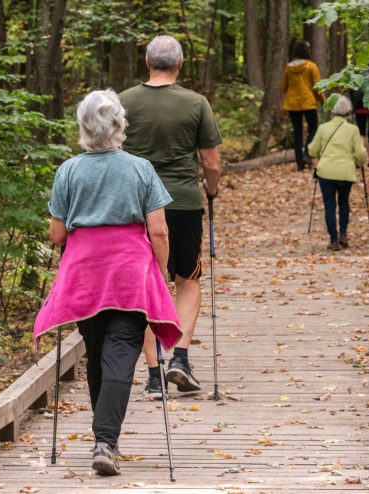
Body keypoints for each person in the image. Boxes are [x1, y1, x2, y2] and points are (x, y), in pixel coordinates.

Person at [32, 90, 182, 476]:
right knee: (120, 351)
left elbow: (56, 233)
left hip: (84, 272)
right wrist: (162, 274)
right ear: (120, 124)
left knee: (97, 350)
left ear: (83, 127)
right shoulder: (140, 169)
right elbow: (159, 231)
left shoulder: (69, 170)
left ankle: (104, 438)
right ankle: (105, 441)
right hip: (129, 272)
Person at [119, 35, 222, 399]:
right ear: (180, 65)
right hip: (181, 203)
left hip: (135, 206)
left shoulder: (123, 102)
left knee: (148, 284)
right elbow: (210, 162)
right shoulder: (196, 103)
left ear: (148, 63)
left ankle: (152, 375)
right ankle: (179, 357)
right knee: (187, 279)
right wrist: (211, 190)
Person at [308, 95, 368, 250]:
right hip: (345, 173)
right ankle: (343, 234)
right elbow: (361, 153)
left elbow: (311, 150)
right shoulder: (353, 130)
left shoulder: (323, 128)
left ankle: (333, 240)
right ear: (347, 112)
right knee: (343, 203)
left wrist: (317, 164)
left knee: (329, 205)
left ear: (332, 111)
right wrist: (358, 163)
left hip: (325, 172)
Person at [280, 40, 324, 171]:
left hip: (293, 105)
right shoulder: (312, 66)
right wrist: (324, 100)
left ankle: (300, 163)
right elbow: (318, 87)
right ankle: (307, 155)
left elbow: (283, 86)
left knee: (297, 133)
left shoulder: (289, 67)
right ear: (307, 51)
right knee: (314, 129)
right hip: (308, 103)